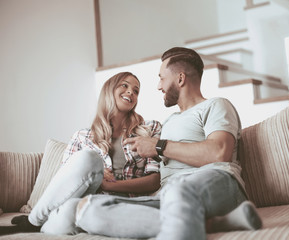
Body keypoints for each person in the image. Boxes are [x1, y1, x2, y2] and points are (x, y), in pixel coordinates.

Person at [71, 47, 262, 240]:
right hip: (167, 193)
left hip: (214, 182)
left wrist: (159, 146)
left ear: (180, 79)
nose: (158, 86)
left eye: (162, 78)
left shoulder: (216, 105)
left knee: (180, 191)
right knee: (89, 209)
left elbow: (219, 152)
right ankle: (212, 223)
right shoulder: (168, 122)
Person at [2, 72, 162, 235]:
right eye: (124, 85)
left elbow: (154, 180)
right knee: (88, 159)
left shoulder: (150, 129)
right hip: (75, 206)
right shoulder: (82, 136)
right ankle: (34, 221)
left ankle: (32, 222)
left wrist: (108, 184)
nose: (131, 92)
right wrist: (96, 172)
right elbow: (65, 181)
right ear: (109, 89)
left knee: (73, 207)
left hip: (113, 208)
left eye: (136, 91)